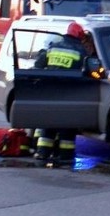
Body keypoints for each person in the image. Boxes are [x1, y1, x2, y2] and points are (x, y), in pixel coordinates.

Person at [33, 22, 95, 166]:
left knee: (48, 125)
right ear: (79, 35)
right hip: (68, 93)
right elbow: (87, 72)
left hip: (50, 92)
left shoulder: (53, 45)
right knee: (67, 127)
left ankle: (42, 154)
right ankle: (65, 156)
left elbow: (39, 65)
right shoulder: (81, 51)